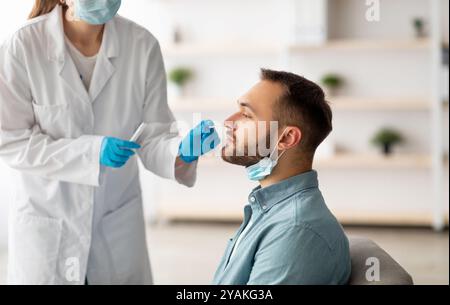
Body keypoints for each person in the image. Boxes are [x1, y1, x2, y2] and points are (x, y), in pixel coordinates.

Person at [0, 0, 219, 284]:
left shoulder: (142, 45)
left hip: (115, 219)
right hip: (48, 219)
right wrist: (91, 153)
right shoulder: (24, 45)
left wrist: (180, 152)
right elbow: (10, 140)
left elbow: (153, 136)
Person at [213, 69, 351, 285]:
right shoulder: (268, 209)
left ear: (286, 138)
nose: (228, 122)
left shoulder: (295, 230)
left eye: (247, 115)